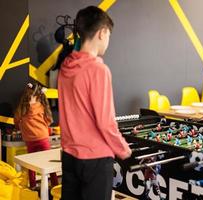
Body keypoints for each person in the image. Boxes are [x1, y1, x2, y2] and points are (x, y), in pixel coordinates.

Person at [57, 6, 132, 200]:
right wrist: (123, 149)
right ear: (102, 32)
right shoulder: (98, 69)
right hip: (95, 159)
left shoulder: (65, 66)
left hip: (69, 156)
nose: (108, 41)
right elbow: (105, 122)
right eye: (109, 35)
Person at [14, 83, 58, 189]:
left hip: (30, 140)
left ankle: (33, 185)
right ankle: (55, 184)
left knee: (31, 164)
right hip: (43, 138)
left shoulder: (22, 109)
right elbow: (48, 121)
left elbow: (16, 121)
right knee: (48, 163)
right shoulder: (41, 106)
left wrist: (19, 127)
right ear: (37, 96)